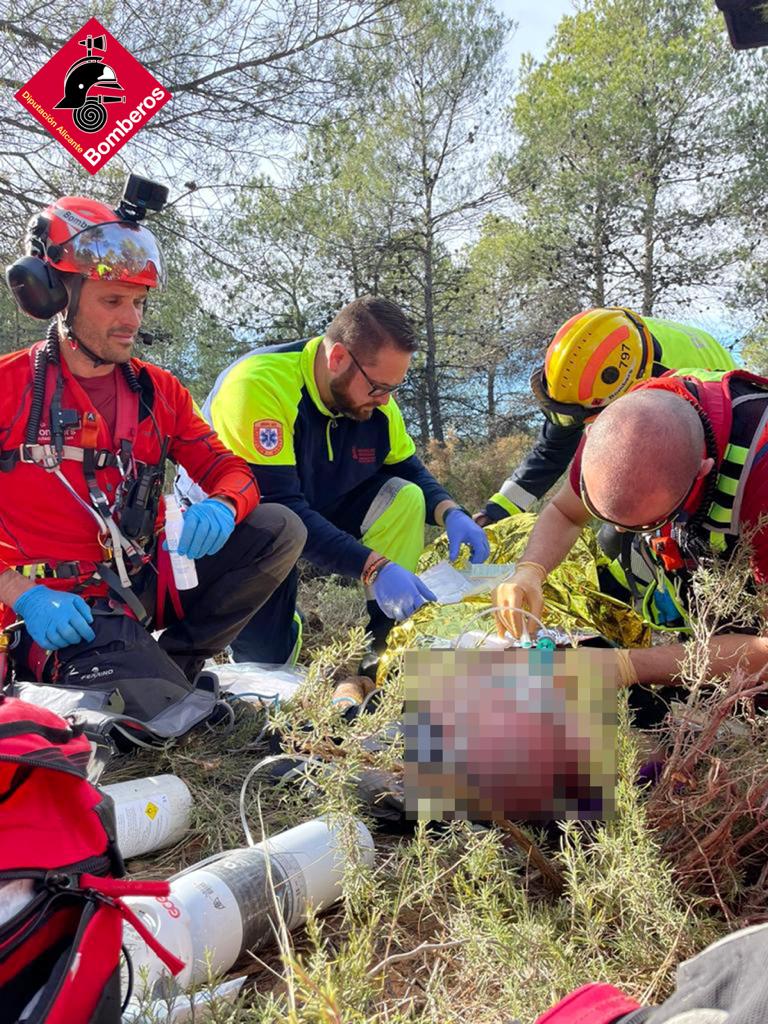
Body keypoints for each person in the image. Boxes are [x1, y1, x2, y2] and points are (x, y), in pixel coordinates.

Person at [0, 180, 306, 710]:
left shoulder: (156, 390)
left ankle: (178, 665)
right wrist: (21, 594)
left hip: (141, 581)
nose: (132, 320)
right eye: (113, 300)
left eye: (139, 302)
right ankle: (147, 679)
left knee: (279, 529)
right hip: (53, 610)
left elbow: (232, 471)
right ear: (55, 295)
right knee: (149, 712)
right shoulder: (9, 389)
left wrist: (224, 504)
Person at [178, 296, 490, 663]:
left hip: (310, 502)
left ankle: (384, 646)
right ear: (338, 358)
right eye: (378, 387)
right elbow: (278, 509)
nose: (386, 400)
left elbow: (407, 467)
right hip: (244, 523)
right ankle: (283, 625)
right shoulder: (257, 386)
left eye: (394, 388)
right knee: (266, 662)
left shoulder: (377, 403)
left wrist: (450, 512)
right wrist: (374, 566)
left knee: (404, 497)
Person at [493, 369, 768, 689]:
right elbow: (565, 512)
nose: (622, 533)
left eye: (648, 524)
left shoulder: (760, 476)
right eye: (601, 514)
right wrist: (530, 569)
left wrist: (629, 666)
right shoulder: (619, 428)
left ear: (702, 473)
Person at [476, 307, 737, 525]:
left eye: (589, 418)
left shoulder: (669, 397)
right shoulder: (590, 362)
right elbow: (551, 451)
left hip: (720, 413)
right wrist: (495, 513)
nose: (583, 425)